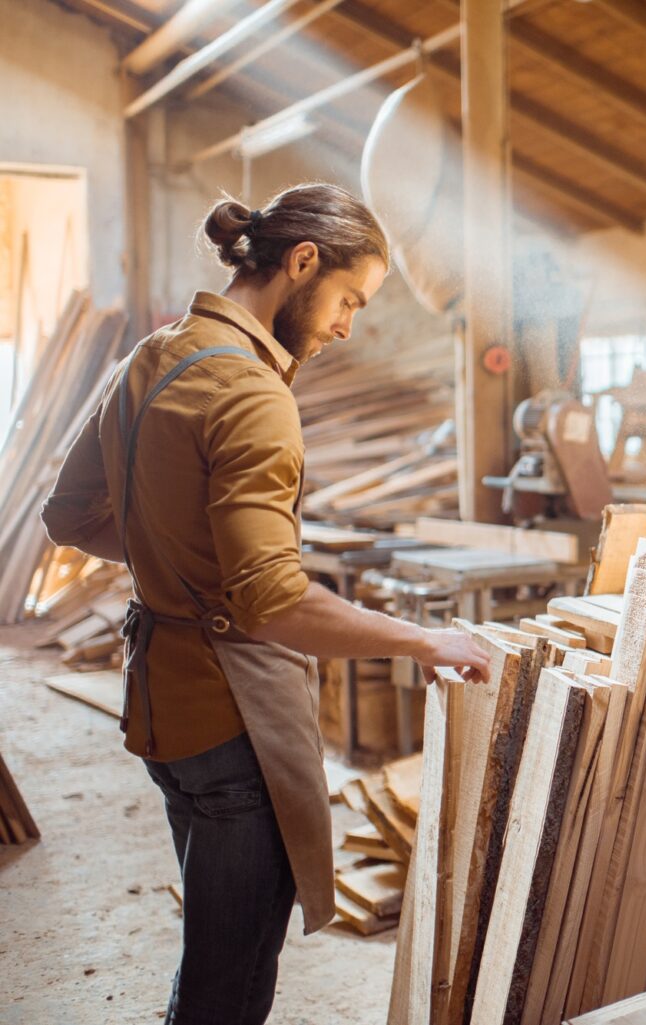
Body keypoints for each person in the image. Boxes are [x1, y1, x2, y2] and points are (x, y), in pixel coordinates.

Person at [40, 182, 491, 1025]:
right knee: (230, 987)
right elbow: (271, 600)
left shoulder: (152, 356)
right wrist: (423, 640)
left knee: (210, 960)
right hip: (231, 719)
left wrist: (179, 570)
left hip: (160, 702)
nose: (347, 325)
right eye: (349, 300)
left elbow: (71, 517)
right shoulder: (253, 394)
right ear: (303, 262)